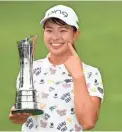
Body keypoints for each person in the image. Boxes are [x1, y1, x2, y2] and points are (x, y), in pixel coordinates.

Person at [9, 4, 104, 132]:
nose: (55, 37)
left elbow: (88, 122)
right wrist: (17, 116)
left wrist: (78, 76)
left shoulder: (91, 74)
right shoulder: (31, 69)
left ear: (75, 34)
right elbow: (19, 116)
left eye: (63, 30)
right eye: (49, 30)